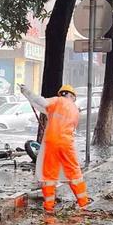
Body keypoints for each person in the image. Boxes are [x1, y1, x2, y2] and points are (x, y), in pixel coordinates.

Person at [20, 84, 89, 213]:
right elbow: (45, 108)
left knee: (49, 175)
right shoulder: (75, 110)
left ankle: (49, 206)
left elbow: (42, 103)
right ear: (72, 96)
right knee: (74, 173)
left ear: (61, 94)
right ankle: (83, 203)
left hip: (51, 142)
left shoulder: (57, 101)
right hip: (67, 144)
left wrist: (27, 92)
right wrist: (28, 96)